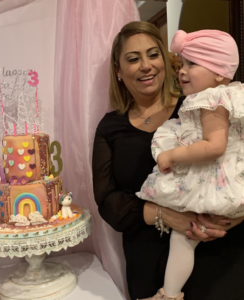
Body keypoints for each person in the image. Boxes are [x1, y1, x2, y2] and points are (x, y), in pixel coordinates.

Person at [92, 21, 244, 300]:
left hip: (220, 260)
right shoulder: (110, 128)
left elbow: (237, 159)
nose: (146, 65)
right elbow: (108, 202)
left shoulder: (200, 105)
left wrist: (231, 217)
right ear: (118, 71)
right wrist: (168, 216)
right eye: (133, 59)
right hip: (148, 268)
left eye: (153, 54)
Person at [136, 29, 244, 300]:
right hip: (229, 181)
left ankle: (170, 294)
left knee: (183, 238)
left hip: (215, 181)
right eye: (182, 64)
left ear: (219, 72)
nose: (181, 71)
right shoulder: (231, 96)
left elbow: (214, 146)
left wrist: (171, 156)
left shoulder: (211, 100)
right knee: (186, 237)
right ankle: (169, 293)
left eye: (192, 64)